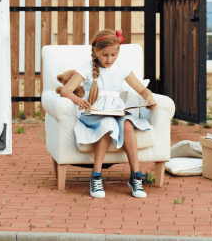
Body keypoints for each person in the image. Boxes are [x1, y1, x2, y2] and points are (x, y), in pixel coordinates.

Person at [58, 29, 157, 199]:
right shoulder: (87, 67)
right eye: (105, 55)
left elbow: (141, 89)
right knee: (107, 124)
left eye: (113, 55)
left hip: (117, 112)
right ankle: (96, 176)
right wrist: (77, 100)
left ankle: (135, 176)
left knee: (128, 125)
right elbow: (65, 91)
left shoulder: (122, 67)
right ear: (96, 52)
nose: (109, 59)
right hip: (95, 113)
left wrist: (149, 97)